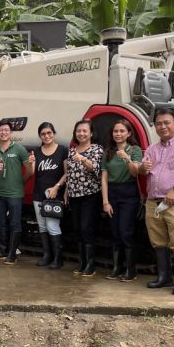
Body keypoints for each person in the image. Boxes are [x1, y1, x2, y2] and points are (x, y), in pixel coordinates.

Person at [138, 108, 174, 295]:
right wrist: (142, 168)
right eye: (159, 123)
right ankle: (164, 278)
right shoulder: (151, 149)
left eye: (166, 123)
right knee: (158, 241)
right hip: (153, 201)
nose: (162, 126)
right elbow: (142, 172)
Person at [0, 120, 34, 264]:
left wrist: (22, 179)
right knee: (0, 223)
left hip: (15, 195)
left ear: (11, 132)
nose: (3, 132)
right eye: (0, 130)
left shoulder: (19, 149)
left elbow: (30, 172)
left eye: (6, 130)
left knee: (15, 224)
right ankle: (2, 250)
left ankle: (12, 254)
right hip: (0, 194)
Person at [101, 119, 143, 281]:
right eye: (115, 131)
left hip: (128, 192)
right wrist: (105, 201)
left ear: (129, 133)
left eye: (121, 131)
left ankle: (130, 270)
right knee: (115, 232)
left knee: (126, 231)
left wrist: (127, 158)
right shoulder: (108, 152)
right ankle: (116, 267)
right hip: (112, 193)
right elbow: (104, 178)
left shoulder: (134, 149)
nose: (118, 134)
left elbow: (135, 172)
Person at [65, 119, 104, 277]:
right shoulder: (72, 150)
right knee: (77, 229)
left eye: (84, 131)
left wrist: (83, 159)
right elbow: (69, 173)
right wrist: (66, 191)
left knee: (87, 228)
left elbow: (96, 169)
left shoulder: (97, 149)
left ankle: (90, 264)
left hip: (90, 195)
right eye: (78, 131)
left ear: (91, 133)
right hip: (74, 195)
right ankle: (82, 262)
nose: (81, 133)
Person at [32, 122, 68, 270]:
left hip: (55, 195)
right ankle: (47, 255)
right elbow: (32, 172)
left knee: (52, 226)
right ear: (40, 136)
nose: (46, 136)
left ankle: (58, 259)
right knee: (42, 226)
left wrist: (57, 187)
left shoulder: (62, 150)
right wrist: (30, 163)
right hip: (38, 194)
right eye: (43, 134)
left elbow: (67, 173)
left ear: (54, 133)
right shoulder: (36, 151)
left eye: (49, 133)